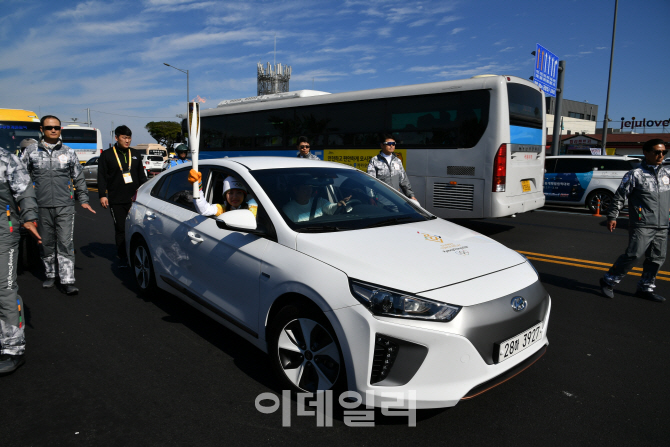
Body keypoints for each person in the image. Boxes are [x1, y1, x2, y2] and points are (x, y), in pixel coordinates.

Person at [20, 116, 95, 295]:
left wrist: (83, 199)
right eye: (49, 128)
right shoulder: (30, 151)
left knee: (65, 242)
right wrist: (22, 203)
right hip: (41, 205)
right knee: (46, 242)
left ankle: (68, 280)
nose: (53, 130)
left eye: (57, 127)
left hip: (65, 205)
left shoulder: (69, 152)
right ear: (42, 129)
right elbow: (21, 179)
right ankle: (51, 274)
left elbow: (78, 177)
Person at [600, 138, 670, 302]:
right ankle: (608, 280)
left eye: (664, 152)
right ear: (646, 153)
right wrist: (612, 216)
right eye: (657, 152)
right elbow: (619, 197)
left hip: (662, 225)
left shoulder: (667, 174)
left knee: (657, 258)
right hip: (642, 223)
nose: (661, 155)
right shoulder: (635, 175)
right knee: (633, 254)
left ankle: (645, 288)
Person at [0, 147, 40, 374]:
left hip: (3, 230)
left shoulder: (6, 159)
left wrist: (29, 217)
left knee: (4, 288)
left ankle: (13, 348)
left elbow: (25, 191)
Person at [97, 125, 147, 267]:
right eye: (124, 137)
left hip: (135, 199)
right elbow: (102, 177)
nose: (127, 140)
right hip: (116, 199)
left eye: (129, 138)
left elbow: (142, 177)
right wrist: (102, 195)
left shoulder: (135, 154)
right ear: (117, 138)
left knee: (137, 227)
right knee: (121, 228)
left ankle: (135, 253)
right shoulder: (107, 155)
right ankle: (122, 256)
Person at [367, 134, 417, 201]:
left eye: (393, 144)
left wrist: (411, 195)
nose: (391, 146)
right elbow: (370, 181)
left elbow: (404, 181)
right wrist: (371, 197)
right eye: (389, 144)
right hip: (380, 201)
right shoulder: (374, 161)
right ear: (382, 145)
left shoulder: (398, 161)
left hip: (396, 200)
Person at [187, 171, 257, 217]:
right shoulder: (221, 209)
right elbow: (204, 210)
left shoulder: (253, 209)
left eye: (239, 193)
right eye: (230, 193)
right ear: (225, 196)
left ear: (244, 195)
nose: (235, 197)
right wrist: (197, 187)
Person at [282, 177, 350, 222]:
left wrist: (338, 205)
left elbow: (331, 208)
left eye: (310, 188)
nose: (309, 191)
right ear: (295, 190)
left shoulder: (319, 201)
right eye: (305, 188)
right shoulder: (288, 210)